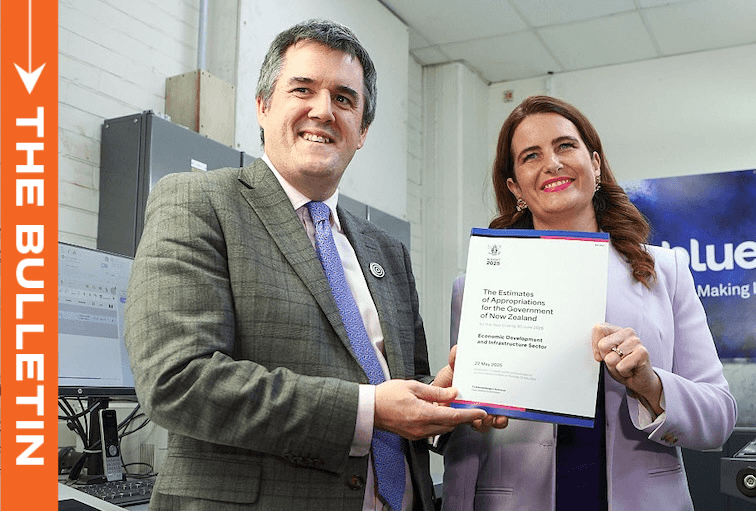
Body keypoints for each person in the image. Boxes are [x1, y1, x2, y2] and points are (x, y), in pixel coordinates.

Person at [124, 19, 487, 511]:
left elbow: (410, 379)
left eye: (344, 98)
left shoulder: (388, 252)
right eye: (303, 89)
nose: (323, 110)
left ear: (362, 131)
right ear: (263, 105)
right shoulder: (199, 202)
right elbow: (178, 380)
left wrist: (441, 400)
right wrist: (368, 411)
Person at [440, 95, 737, 510]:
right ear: (515, 187)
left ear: (595, 164)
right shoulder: (477, 288)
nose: (552, 163)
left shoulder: (665, 272)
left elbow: (719, 417)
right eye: (530, 156)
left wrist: (650, 385)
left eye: (565, 146)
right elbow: (465, 442)